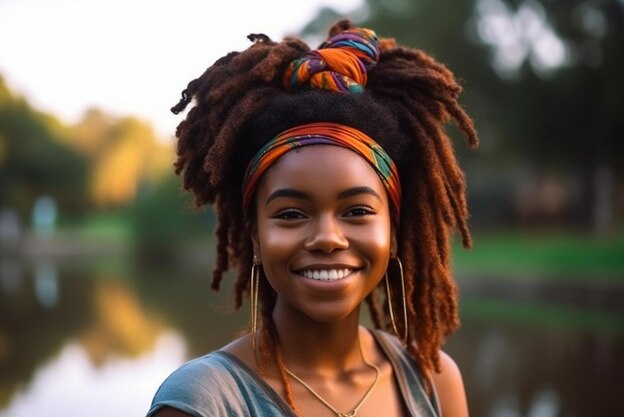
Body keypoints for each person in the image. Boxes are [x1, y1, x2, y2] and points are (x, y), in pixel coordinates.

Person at [147, 19, 478, 417]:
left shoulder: (435, 383)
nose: (327, 237)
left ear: (392, 228)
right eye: (291, 214)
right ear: (256, 236)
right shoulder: (202, 402)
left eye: (357, 211)